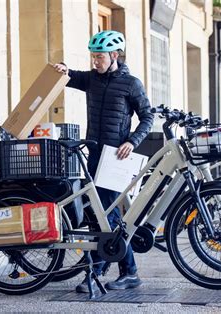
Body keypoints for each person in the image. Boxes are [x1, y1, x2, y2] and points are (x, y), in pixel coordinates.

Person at [53, 30, 153, 293]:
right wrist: (63, 68)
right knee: (98, 213)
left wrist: (132, 141)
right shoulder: (92, 80)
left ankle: (112, 270)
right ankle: (111, 269)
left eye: (99, 57)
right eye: (93, 57)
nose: (95, 62)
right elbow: (71, 76)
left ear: (114, 55)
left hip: (116, 156)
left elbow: (147, 117)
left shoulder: (131, 83)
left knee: (106, 213)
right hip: (95, 154)